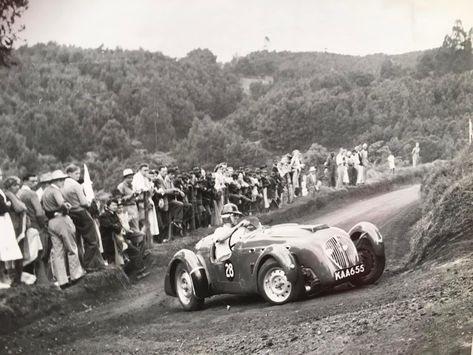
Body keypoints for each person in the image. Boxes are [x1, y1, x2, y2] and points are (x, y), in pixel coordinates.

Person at [41, 170, 85, 288]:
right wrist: (66, 208)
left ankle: (62, 280)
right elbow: (62, 204)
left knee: (58, 252)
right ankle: (76, 275)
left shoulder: (45, 192)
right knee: (71, 247)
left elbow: (43, 207)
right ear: (57, 181)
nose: (63, 182)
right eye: (61, 180)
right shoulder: (56, 191)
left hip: (51, 222)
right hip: (61, 219)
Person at [63, 164, 105, 272]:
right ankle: (89, 265)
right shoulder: (75, 185)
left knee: (77, 242)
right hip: (81, 213)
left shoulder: (63, 186)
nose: (78, 175)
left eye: (79, 173)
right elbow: (84, 202)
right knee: (92, 240)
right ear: (69, 174)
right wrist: (89, 202)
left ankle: (91, 264)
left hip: (71, 214)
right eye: (76, 173)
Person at [99, 199, 149, 279]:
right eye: (113, 205)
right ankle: (137, 272)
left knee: (135, 250)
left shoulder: (114, 214)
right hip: (111, 242)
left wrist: (118, 227)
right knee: (133, 252)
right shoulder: (104, 216)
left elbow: (117, 225)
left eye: (116, 205)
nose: (115, 207)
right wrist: (118, 227)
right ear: (108, 206)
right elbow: (111, 226)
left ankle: (137, 271)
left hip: (119, 238)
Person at [18, 174, 50, 284]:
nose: (35, 183)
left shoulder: (18, 193)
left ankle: (30, 281)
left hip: (23, 228)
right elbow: (39, 213)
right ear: (24, 181)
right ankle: (43, 282)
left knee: (27, 256)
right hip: (36, 226)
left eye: (36, 180)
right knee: (41, 255)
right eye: (32, 181)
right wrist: (44, 225)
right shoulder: (31, 194)